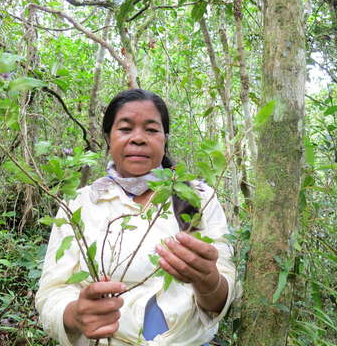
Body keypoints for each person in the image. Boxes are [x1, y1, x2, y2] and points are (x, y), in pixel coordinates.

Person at [35, 89, 241, 345]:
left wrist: (207, 281)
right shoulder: (80, 203)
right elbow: (51, 292)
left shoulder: (198, 196)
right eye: (125, 129)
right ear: (108, 138)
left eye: (151, 130)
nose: (138, 139)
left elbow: (221, 296)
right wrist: (75, 314)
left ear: (165, 139)